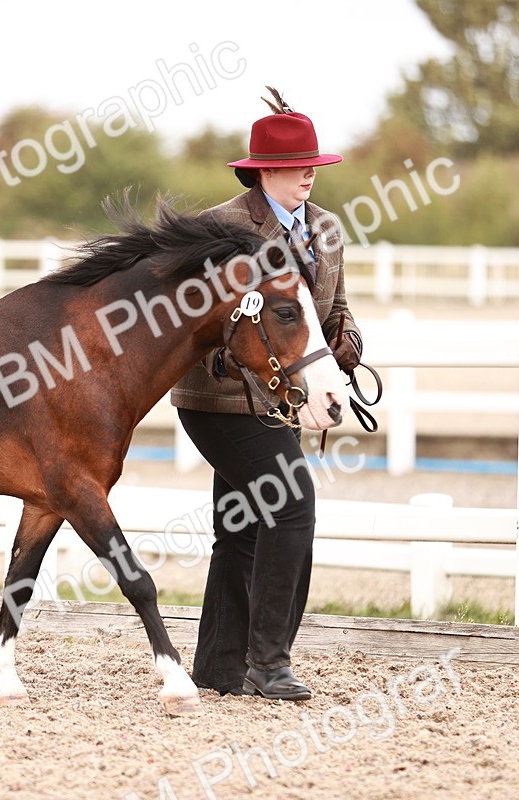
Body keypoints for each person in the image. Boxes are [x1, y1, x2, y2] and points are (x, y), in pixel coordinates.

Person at [169, 90, 362, 700]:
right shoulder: (222, 228)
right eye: (299, 164)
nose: (310, 173)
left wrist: (348, 340)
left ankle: (221, 669)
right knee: (292, 504)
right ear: (263, 170)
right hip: (220, 399)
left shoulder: (326, 229)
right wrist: (234, 357)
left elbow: (332, 306)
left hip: (283, 398)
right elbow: (193, 320)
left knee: (241, 526)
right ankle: (269, 662)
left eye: (315, 164)